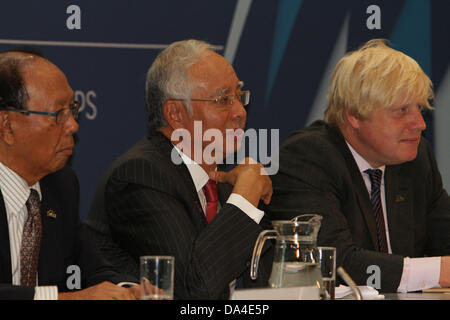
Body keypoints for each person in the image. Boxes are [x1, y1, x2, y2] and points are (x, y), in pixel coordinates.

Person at [85, 39, 274, 299]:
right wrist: (244, 201)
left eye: (239, 96)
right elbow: (193, 290)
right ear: (175, 114)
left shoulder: (225, 181)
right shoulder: (140, 175)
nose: (240, 111)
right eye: (223, 99)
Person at [267, 39, 450, 293]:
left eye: (419, 108)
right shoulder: (306, 158)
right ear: (353, 114)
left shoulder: (416, 159)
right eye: (401, 110)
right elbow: (334, 263)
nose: (420, 123)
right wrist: (439, 271)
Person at [0, 52, 138, 300]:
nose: (73, 125)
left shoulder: (61, 186)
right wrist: (67, 299)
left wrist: (129, 291)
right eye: (58, 114)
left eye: (72, 109)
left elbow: (95, 269)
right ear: (7, 126)